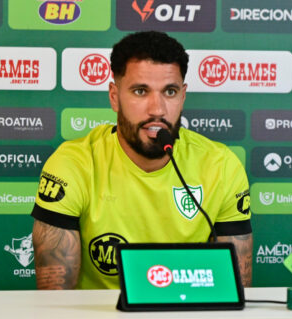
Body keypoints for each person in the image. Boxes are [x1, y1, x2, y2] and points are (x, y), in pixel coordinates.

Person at [31, 31, 252, 290]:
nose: (157, 109)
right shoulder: (74, 163)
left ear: (183, 96)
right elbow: (55, 297)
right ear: (114, 96)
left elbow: (233, 291)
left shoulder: (221, 165)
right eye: (140, 91)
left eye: (169, 91)